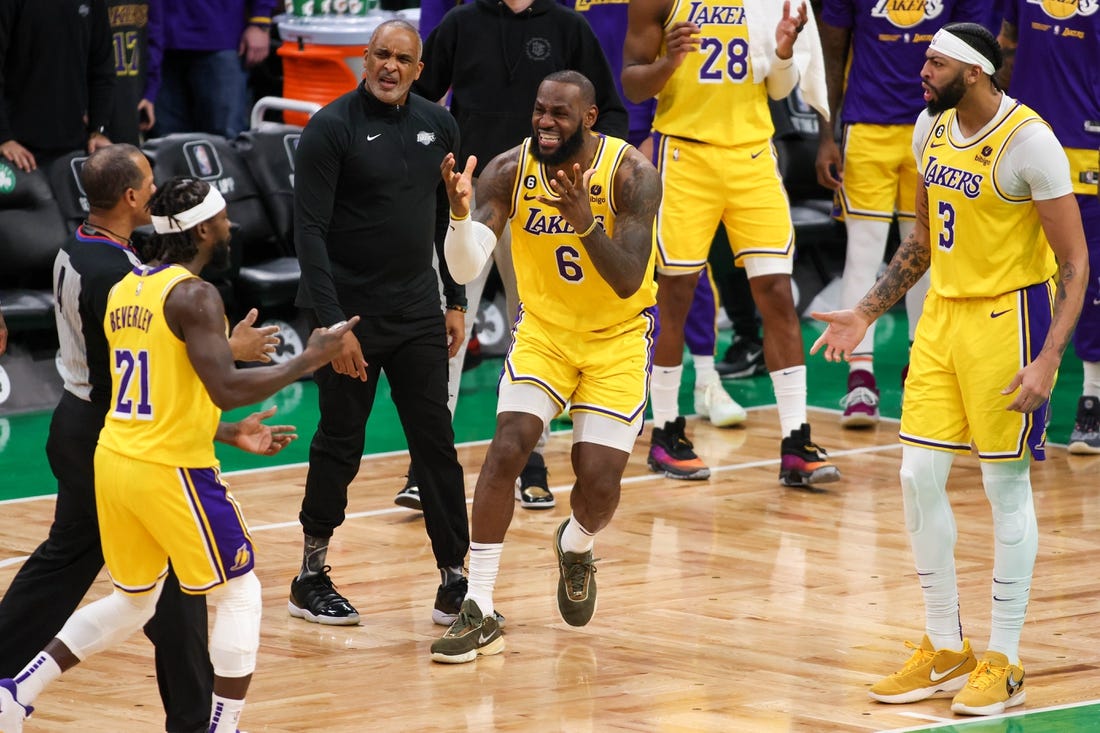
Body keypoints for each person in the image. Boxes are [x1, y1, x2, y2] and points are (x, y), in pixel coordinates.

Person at [0, 175, 354, 732]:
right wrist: (308, 360)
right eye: (223, 218)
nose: (231, 226)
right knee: (241, 590)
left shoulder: (127, 288)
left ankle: (16, 692)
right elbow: (225, 387)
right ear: (203, 230)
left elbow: (159, 384)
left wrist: (224, 430)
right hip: (170, 469)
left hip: (115, 458)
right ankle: (222, 726)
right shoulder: (194, 295)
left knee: (135, 601)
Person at [812, 23, 1088, 716]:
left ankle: (1005, 658)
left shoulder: (1031, 142)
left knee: (1004, 486)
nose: (923, 71)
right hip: (941, 318)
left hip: (1008, 319)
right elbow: (922, 241)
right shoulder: (928, 129)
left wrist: (1049, 358)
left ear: (975, 71)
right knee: (916, 477)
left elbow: (1076, 262)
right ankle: (944, 645)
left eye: (935, 63)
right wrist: (866, 312)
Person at [429, 70, 659, 663]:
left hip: (616, 338)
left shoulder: (631, 174)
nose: (545, 122)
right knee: (507, 446)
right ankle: (479, 605)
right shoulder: (510, 170)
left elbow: (628, 278)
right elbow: (464, 268)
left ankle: (576, 544)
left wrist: (584, 221)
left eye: (560, 113)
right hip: (545, 334)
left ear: (589, 118)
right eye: (539, 110)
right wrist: (459, 218)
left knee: (598, 483)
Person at [409, 0, 630, 510]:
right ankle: (427, 464)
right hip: (473, 199)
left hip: (546, 206)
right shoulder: (461, 22)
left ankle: (533, 460)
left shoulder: (568, 26)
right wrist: (433, 166)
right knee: (444, 326)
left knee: (532, 327)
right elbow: (419, 103)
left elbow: (610, 113)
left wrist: (584, 178)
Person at [291, 19, 472, 629]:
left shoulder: (439, 124)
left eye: (402, 59)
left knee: (436, 443)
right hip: (348, 313)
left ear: (419, 70)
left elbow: (445, 218)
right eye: (380, 55)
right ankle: (310, 575)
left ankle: (454, 578)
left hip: (418, 308)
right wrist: (334, 327)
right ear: (364, 61)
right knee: (341, 440)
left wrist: (455, 298)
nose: (390, 67)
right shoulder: (330, 128)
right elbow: (308, 234)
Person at [623, 0, 840, 485]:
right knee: (675, 295)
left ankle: (797, 441)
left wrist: (783, 53)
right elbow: (632, 83)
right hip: (686, 155)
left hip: (753, 156)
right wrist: (668, 62)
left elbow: (780, 87)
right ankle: (666, 432)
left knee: (777, 294)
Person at [572, 0, 748, 431]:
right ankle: (577, 377)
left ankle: (705, 379)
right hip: (588, 133)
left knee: (683, 265)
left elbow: (676, 55)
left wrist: (656, 135)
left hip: (658, 134)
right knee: (588, 256)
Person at [815, 0, 985, 428]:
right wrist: (826, 133)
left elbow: (976, 55)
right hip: (867, 124)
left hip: (937, 124)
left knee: (925, 254)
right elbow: (831, 54)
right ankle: (860, 377)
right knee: (862, 252)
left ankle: (919, 369)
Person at [997, 1, 1100, 455]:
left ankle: (1092, 396)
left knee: (1088, 277)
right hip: (1022, 139)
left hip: (1088, 147)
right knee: (1025, 273)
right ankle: (1031, 390)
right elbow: (1006, 44)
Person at [0, 0, 114, 172]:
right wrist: (3, 138)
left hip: (75, 146)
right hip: (17, 149)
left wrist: (99, 129)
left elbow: (102, 68)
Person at [155, 0, 275, 138]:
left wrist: (260, 21)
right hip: (160, 42)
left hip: (220, 37)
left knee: (227, 137)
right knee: (166, 139)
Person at [106, 0, 163, 145]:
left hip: (132, 95)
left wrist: (150, 92)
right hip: (95, 97)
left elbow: (155, 40)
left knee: (126, 153)